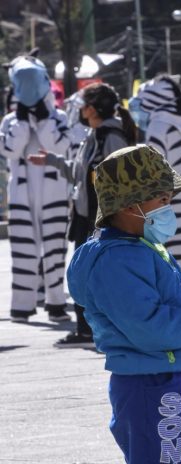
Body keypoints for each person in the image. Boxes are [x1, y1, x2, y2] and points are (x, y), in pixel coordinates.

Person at [67, 145, 181, 463]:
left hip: (165, 371)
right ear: (131, 205)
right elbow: (148, 325)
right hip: (150, 379)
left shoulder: (142, 246)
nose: (168, 207)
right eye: (162, 200)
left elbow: (178, 298)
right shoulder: (119, 260)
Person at [28, 82, 137, 347]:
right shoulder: (94, 134)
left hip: (100, 221)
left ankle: (96, 331)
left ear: (94, 109)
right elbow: (81, 174)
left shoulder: (110, 137)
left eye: (84, 105)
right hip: (85, 217)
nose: (80, 110)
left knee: (93, 277)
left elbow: (121, 179)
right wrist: (52, 161)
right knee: (83, 275)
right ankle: (88, 329)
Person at [0, 51, 71, 323]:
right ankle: (22, 304)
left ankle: (55, 302)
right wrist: (21, 122)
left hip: (53, 191)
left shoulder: (59, 117)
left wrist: (43, 121)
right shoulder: (10, 121)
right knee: (23, 250)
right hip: (20, 193)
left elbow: (60, 147)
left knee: (55, 249)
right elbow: (9, 149)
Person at [129, 74, 181, 284]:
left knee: (168, 248)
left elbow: (153, 167)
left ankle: (178, 292)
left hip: (168, 196)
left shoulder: (158, 125)